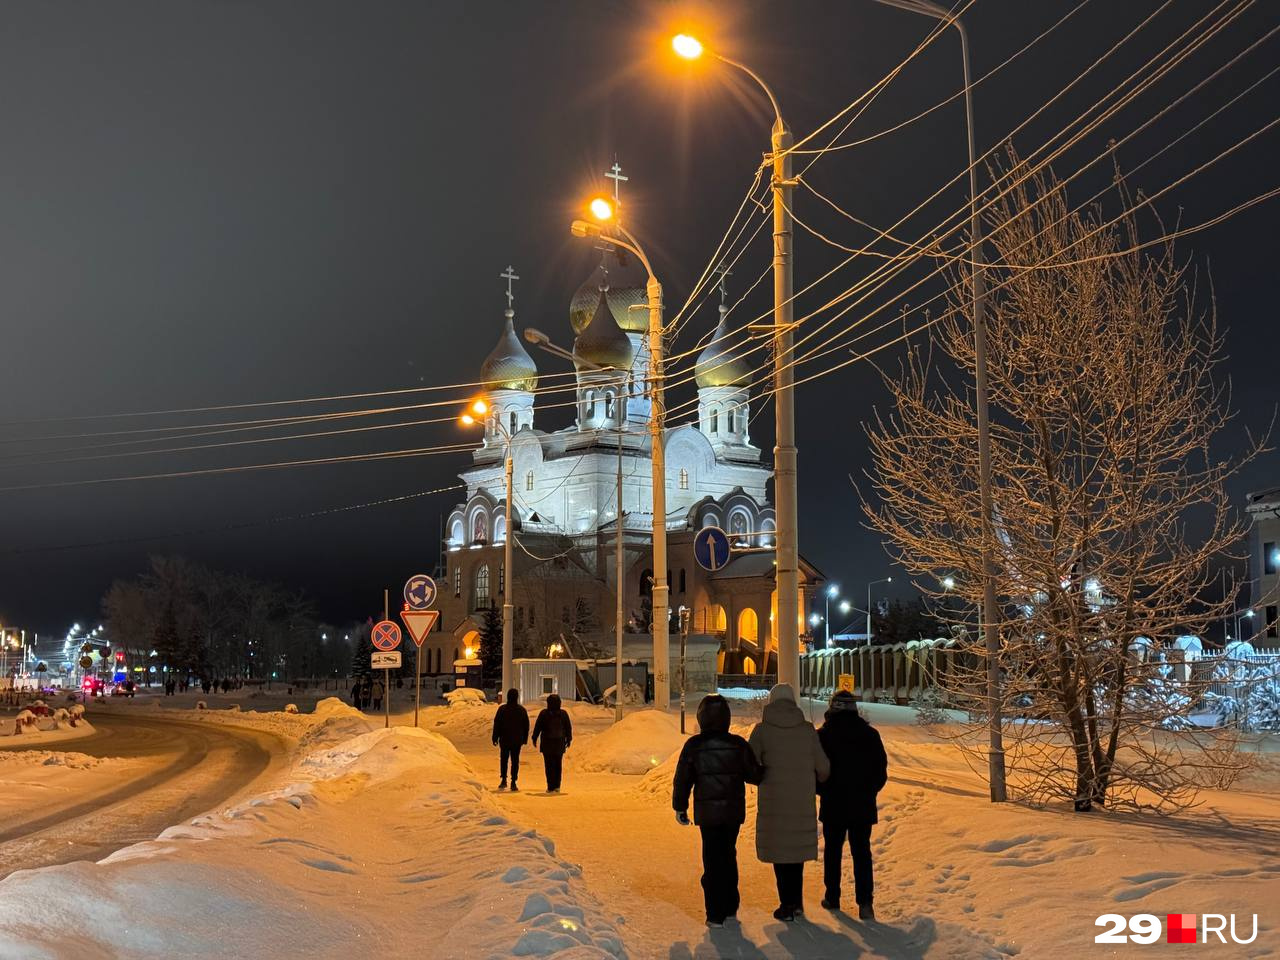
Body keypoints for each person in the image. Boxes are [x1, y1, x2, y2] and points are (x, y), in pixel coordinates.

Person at [672, 694, 763, 928]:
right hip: (733, 812)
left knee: (712, 859)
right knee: (728, 855)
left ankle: (715, 913)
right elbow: (754, 775)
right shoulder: (738, 744)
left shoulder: (694, 746)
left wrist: (680, 807)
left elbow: (682, 780)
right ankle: (730, 906)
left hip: (708, 814)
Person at [749, 682, 831, 922]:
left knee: (781, 854)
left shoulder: (761, 731)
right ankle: (796, 904)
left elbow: (750, 766)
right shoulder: (807, 730)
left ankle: (786, 904)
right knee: (795, 854)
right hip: (801, 804)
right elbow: (824, 768)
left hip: (774, 804)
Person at [817, 691, 888, 920]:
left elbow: (816, 771)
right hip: (862, 804)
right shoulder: (870, 735)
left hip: (833, 802)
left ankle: (833, 896)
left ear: (833, 709)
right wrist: (868, 791)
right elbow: (880, 773)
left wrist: (824, 790)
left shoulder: (823, 736)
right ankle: (865, 902)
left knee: (833, 850)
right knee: (861, 852)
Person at [531, 693, 572, 793]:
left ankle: (550, 786)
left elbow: (538, 727)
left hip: (547, 743)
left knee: (549, 765)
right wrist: (569, 739)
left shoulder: (544, 713)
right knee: (558, 764)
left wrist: (534, 738)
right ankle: (557, 785)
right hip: (559, 743)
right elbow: (568, 727)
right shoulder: (563, 714)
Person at [492, 687, 530, 791]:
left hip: (504, 739)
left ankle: (504, 779)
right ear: (517, 697)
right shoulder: (521, 710)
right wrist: (524, 738)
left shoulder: (502, 709)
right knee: (515, 760)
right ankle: (513, 781)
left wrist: (495, 737)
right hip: (517, 740)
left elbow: (497, 724)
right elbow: (526, 725)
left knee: (504, 759)